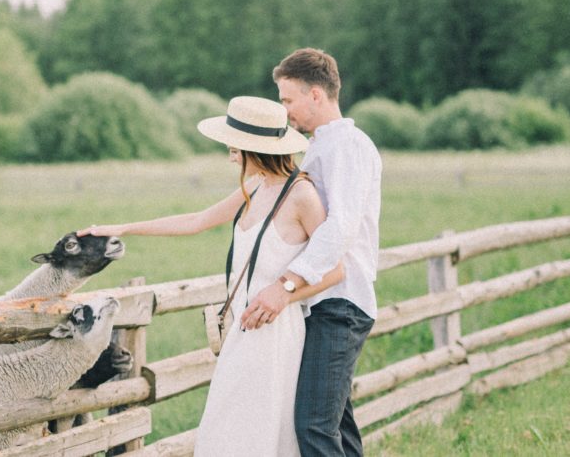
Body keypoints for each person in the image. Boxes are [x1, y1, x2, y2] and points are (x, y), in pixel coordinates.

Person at [78, 95, 343, 456]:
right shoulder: (255, 186)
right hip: (244, 330)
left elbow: (335, 269)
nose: (231, 154)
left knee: (263, 433)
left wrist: (283, 295)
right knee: (226, 429)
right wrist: (122, 227)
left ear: (257, 147)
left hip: (278, 333)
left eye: (236, 146)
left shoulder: (302, 196)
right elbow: (196, 221)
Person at [240, 48, 381, 456]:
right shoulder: (321, 145)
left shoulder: (348, 147)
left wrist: (285, 286)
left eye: (288, 100)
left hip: (341, 302)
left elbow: (341, 227)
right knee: (335, 424)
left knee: (314, 427)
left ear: (315, 94)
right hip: (323, 302)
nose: (285, 111)